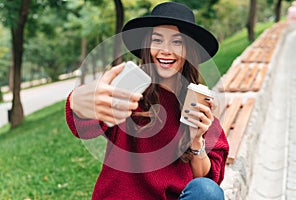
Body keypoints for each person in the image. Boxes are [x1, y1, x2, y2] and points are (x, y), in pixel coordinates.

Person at [65, 2, 229, 200]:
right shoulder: (129, 93)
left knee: (207, 191)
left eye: (177, 42)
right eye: (157, 40)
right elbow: (86, 125)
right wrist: (78, 101)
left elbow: (208, 183)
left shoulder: (200, 107)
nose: (166, 50)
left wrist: (196, 141)